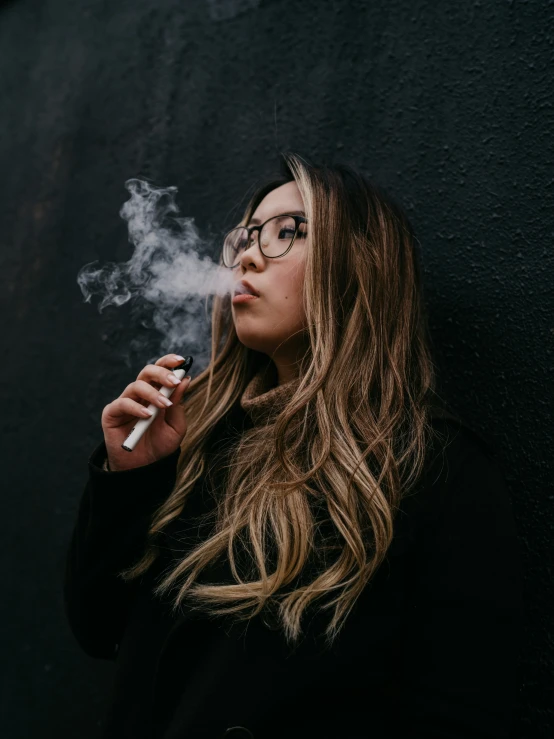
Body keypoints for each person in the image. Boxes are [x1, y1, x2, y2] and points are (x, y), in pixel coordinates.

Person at [63, 152, 524, 739]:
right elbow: (98, 629)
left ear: (359, 266)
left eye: (289, 232)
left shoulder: (434, 470)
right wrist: (130, 481)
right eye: (246, 237)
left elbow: (461, 714)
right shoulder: (196, 447)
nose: (250, 254)